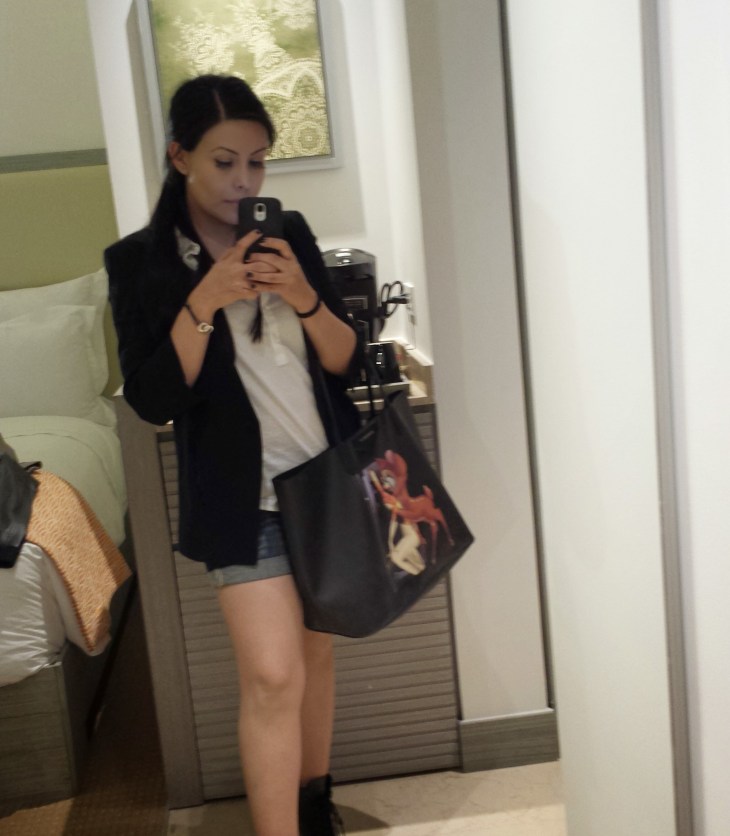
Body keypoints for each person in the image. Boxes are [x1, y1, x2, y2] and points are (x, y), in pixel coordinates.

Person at [105, 74, 360, 836]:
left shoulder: (291, 234)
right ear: (180, 156)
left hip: (323, 482)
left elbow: (344, 359)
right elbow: (151, 399)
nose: (244, 180)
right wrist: (205, 302)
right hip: (240, 501)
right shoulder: (140, 262)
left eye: (257, 162)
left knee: (315, 659)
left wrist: (303, 295)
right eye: (224, 162)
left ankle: (314, 808)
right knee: (273, 674)